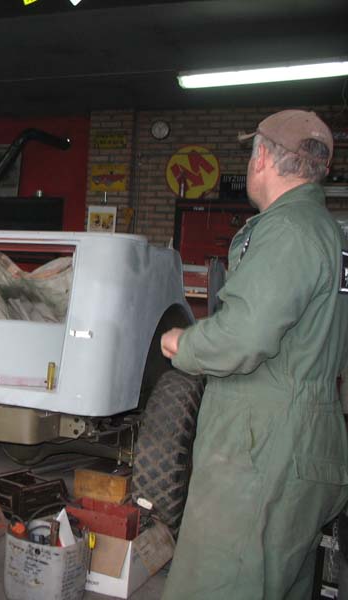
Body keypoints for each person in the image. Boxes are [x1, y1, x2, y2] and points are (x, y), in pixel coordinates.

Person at [160, 109, 348, 599]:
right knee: (278, 580)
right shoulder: (331, 234)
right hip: (308, 437)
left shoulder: (289, 231)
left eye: (251, 153)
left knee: (218, 581)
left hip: (261, 446)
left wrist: (184, 343)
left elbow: (243, 337)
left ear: (262, 156)